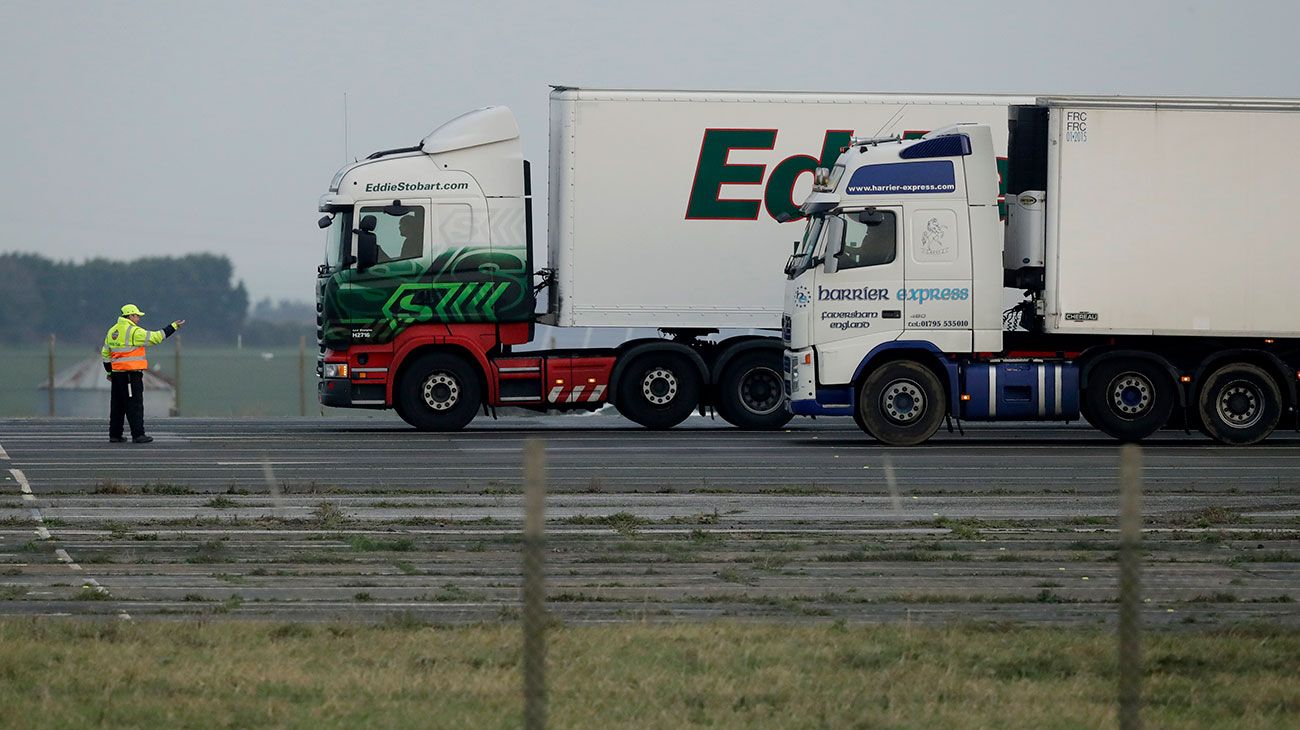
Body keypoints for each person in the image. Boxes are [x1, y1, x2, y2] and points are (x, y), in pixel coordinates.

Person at [101, 304, 185, 444]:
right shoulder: (133, 331)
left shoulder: (112, 331)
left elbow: (105, 354)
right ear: (130, 316)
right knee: (134, 404)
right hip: (130, 375)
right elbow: (156, 337)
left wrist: (110, 371)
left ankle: (115, 435)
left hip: (117, 375)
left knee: (117, 405)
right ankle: (138, 434)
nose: (139, 318)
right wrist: (173, 327)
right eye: (137, 316)